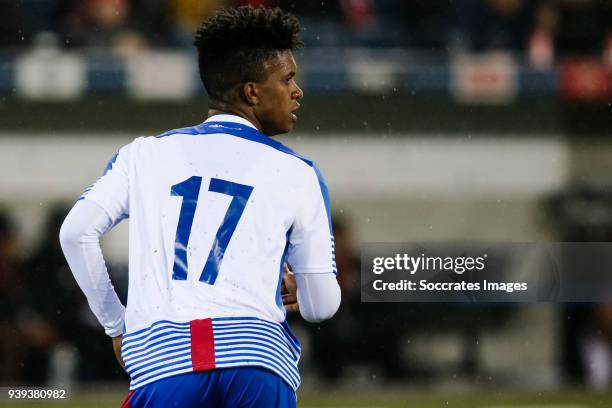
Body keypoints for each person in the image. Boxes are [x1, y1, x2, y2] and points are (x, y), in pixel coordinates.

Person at [59, 6, 341, 407]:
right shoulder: (298, 172)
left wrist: (116, 326)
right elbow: (322, 306)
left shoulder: (143, 155)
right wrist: (302, 292)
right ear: (251, 92)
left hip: (166, 365)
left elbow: (75, 232)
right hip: (257, 365)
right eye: (288, 78)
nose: (298, 91)